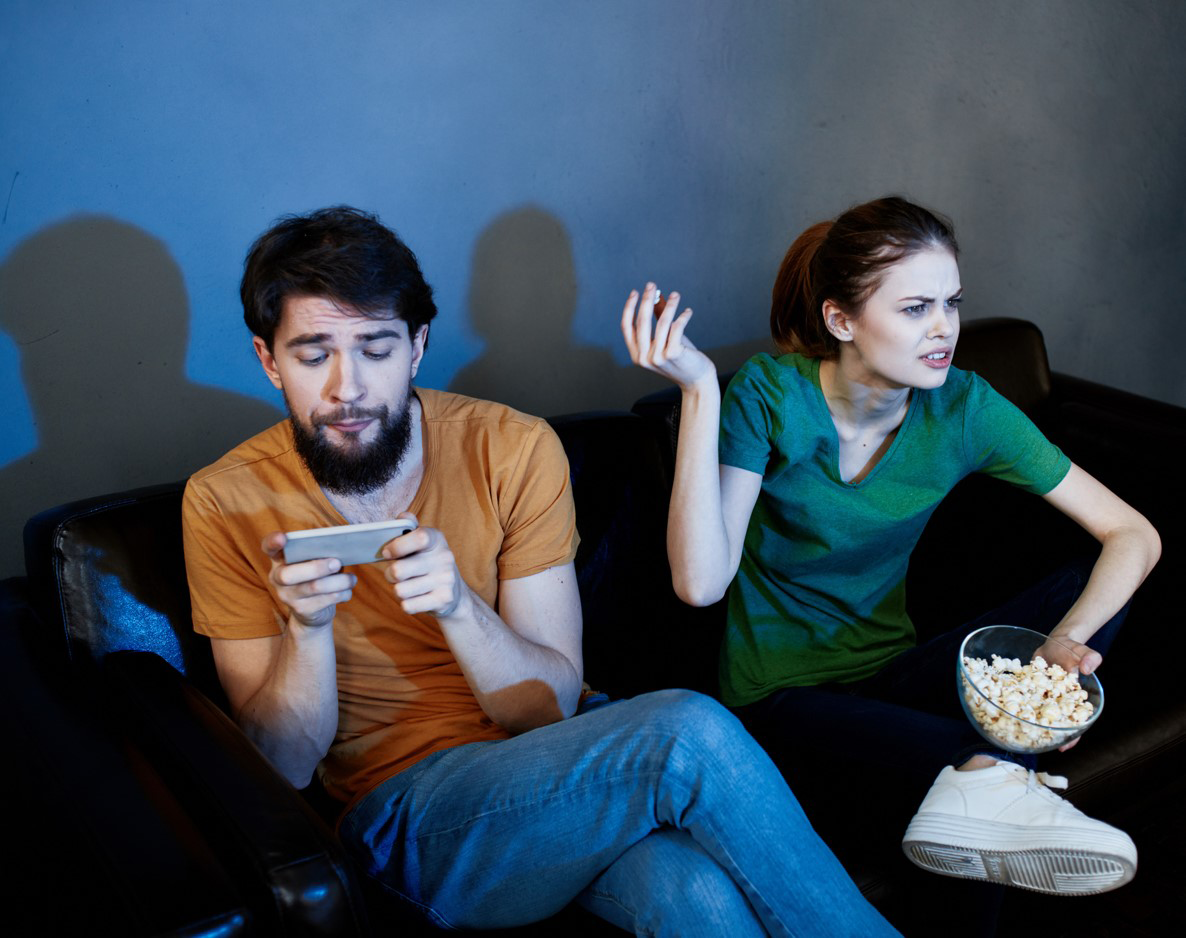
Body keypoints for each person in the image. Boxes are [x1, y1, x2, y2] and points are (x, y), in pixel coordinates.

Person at [181, 205, 898, 936]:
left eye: (376, 349)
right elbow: (282, 767)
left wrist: (459, 607)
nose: (348, 387)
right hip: (407, 812)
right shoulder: (223, 502)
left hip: (562, 757)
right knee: (688, 731)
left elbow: (548, 709)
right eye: (313, 356)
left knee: (694, 895)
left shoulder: (512, 447)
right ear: (269, 360)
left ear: (417, 346)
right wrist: (306, 630)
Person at [620, 196, 1161, 901]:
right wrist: (698, 390)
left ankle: (997, 780)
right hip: (780, 698)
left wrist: (1065, 645)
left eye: (952, 303)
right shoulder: (769, 396)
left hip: (893, 671)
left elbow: (1133, 533)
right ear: (840, 320)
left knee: (1085, 587)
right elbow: (700, 584)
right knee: (976, 782)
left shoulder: (964, 406)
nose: (944, 329)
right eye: (915, 309)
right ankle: (1000, 778)